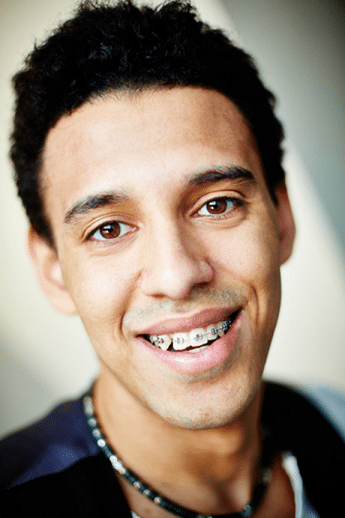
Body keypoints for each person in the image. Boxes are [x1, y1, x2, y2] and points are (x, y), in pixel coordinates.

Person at [0, 0, 344, 516]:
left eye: (216, 204)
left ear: (282, 219)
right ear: (54, 271)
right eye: (109, 228)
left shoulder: (335, 420)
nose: (177, 275)